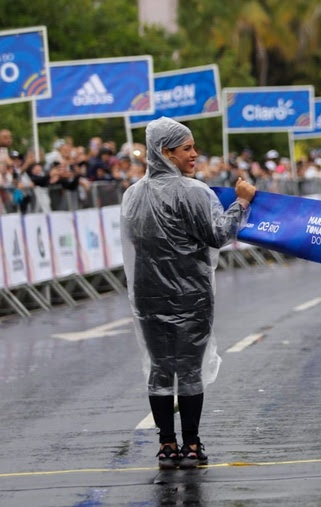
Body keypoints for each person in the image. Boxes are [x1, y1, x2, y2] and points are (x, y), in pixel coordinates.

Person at [121, 117, 256, 469]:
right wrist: (241, 202)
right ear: (165, 152)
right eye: (187, 149)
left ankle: (167, 444)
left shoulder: (132, 196)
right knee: (190, 370)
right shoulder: (195, 192)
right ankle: (192, 444)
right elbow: (219, 235)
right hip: (191, 294)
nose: (195, 154)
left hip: (147, 294)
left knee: (160, 370)